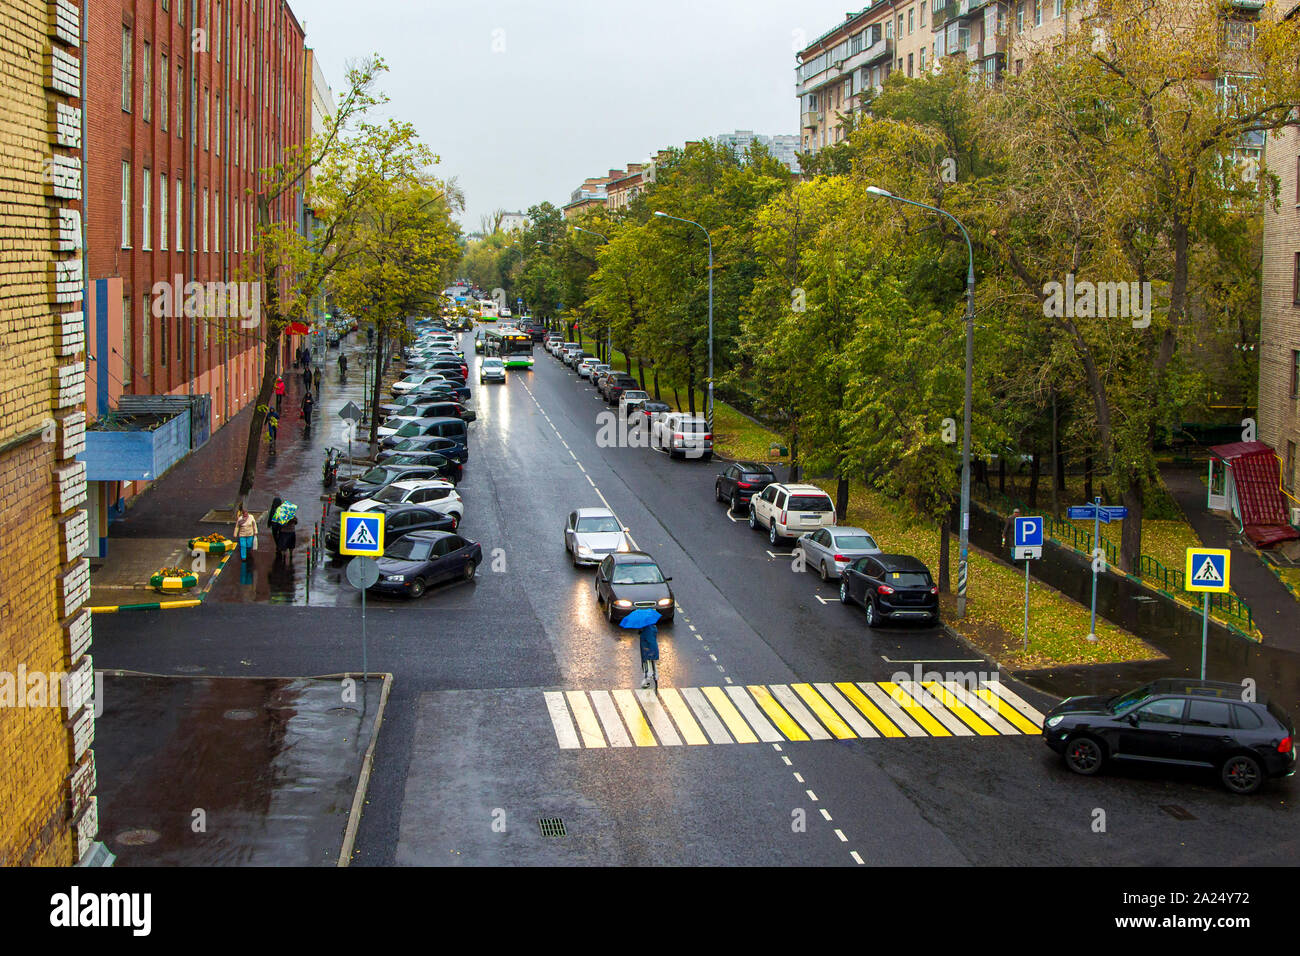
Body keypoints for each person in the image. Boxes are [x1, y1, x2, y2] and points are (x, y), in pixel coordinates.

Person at [638, 622, 660, 689]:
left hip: (648, 652)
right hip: (652, 651)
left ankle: (645, 681)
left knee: (647, 666)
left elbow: (649, 640)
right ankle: (655, 678)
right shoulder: (652, 627)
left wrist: (650, 652)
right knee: (653, 665)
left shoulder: (647, 629)